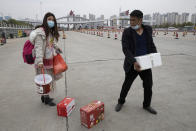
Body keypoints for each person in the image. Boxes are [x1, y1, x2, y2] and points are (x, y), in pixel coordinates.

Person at [115, 10, 158, 114]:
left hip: (145, 63)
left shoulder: (148, 29)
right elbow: (125, 49)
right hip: (132, 64)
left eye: (133, 20)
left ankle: (146, 105)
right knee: (127, 84)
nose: (131, 22)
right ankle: (121, 101)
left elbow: (151, 44)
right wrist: (134, 62)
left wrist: (155, 56)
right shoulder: (127, 32)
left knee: (148, 85)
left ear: (140, 20)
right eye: (130, 20)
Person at [30, 12, 62, 106]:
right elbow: (38, 48)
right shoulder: (40, 33)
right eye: (49, 19)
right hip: (42, 62)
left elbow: (52, 43)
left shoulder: (50, 33)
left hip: (49, 60)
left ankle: (44, 97)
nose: (51, 21)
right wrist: (39, 61)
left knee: (48, 79)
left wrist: (57, 49)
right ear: (45, 20)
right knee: (45, 80)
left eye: (53, 20)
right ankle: (46, 99)